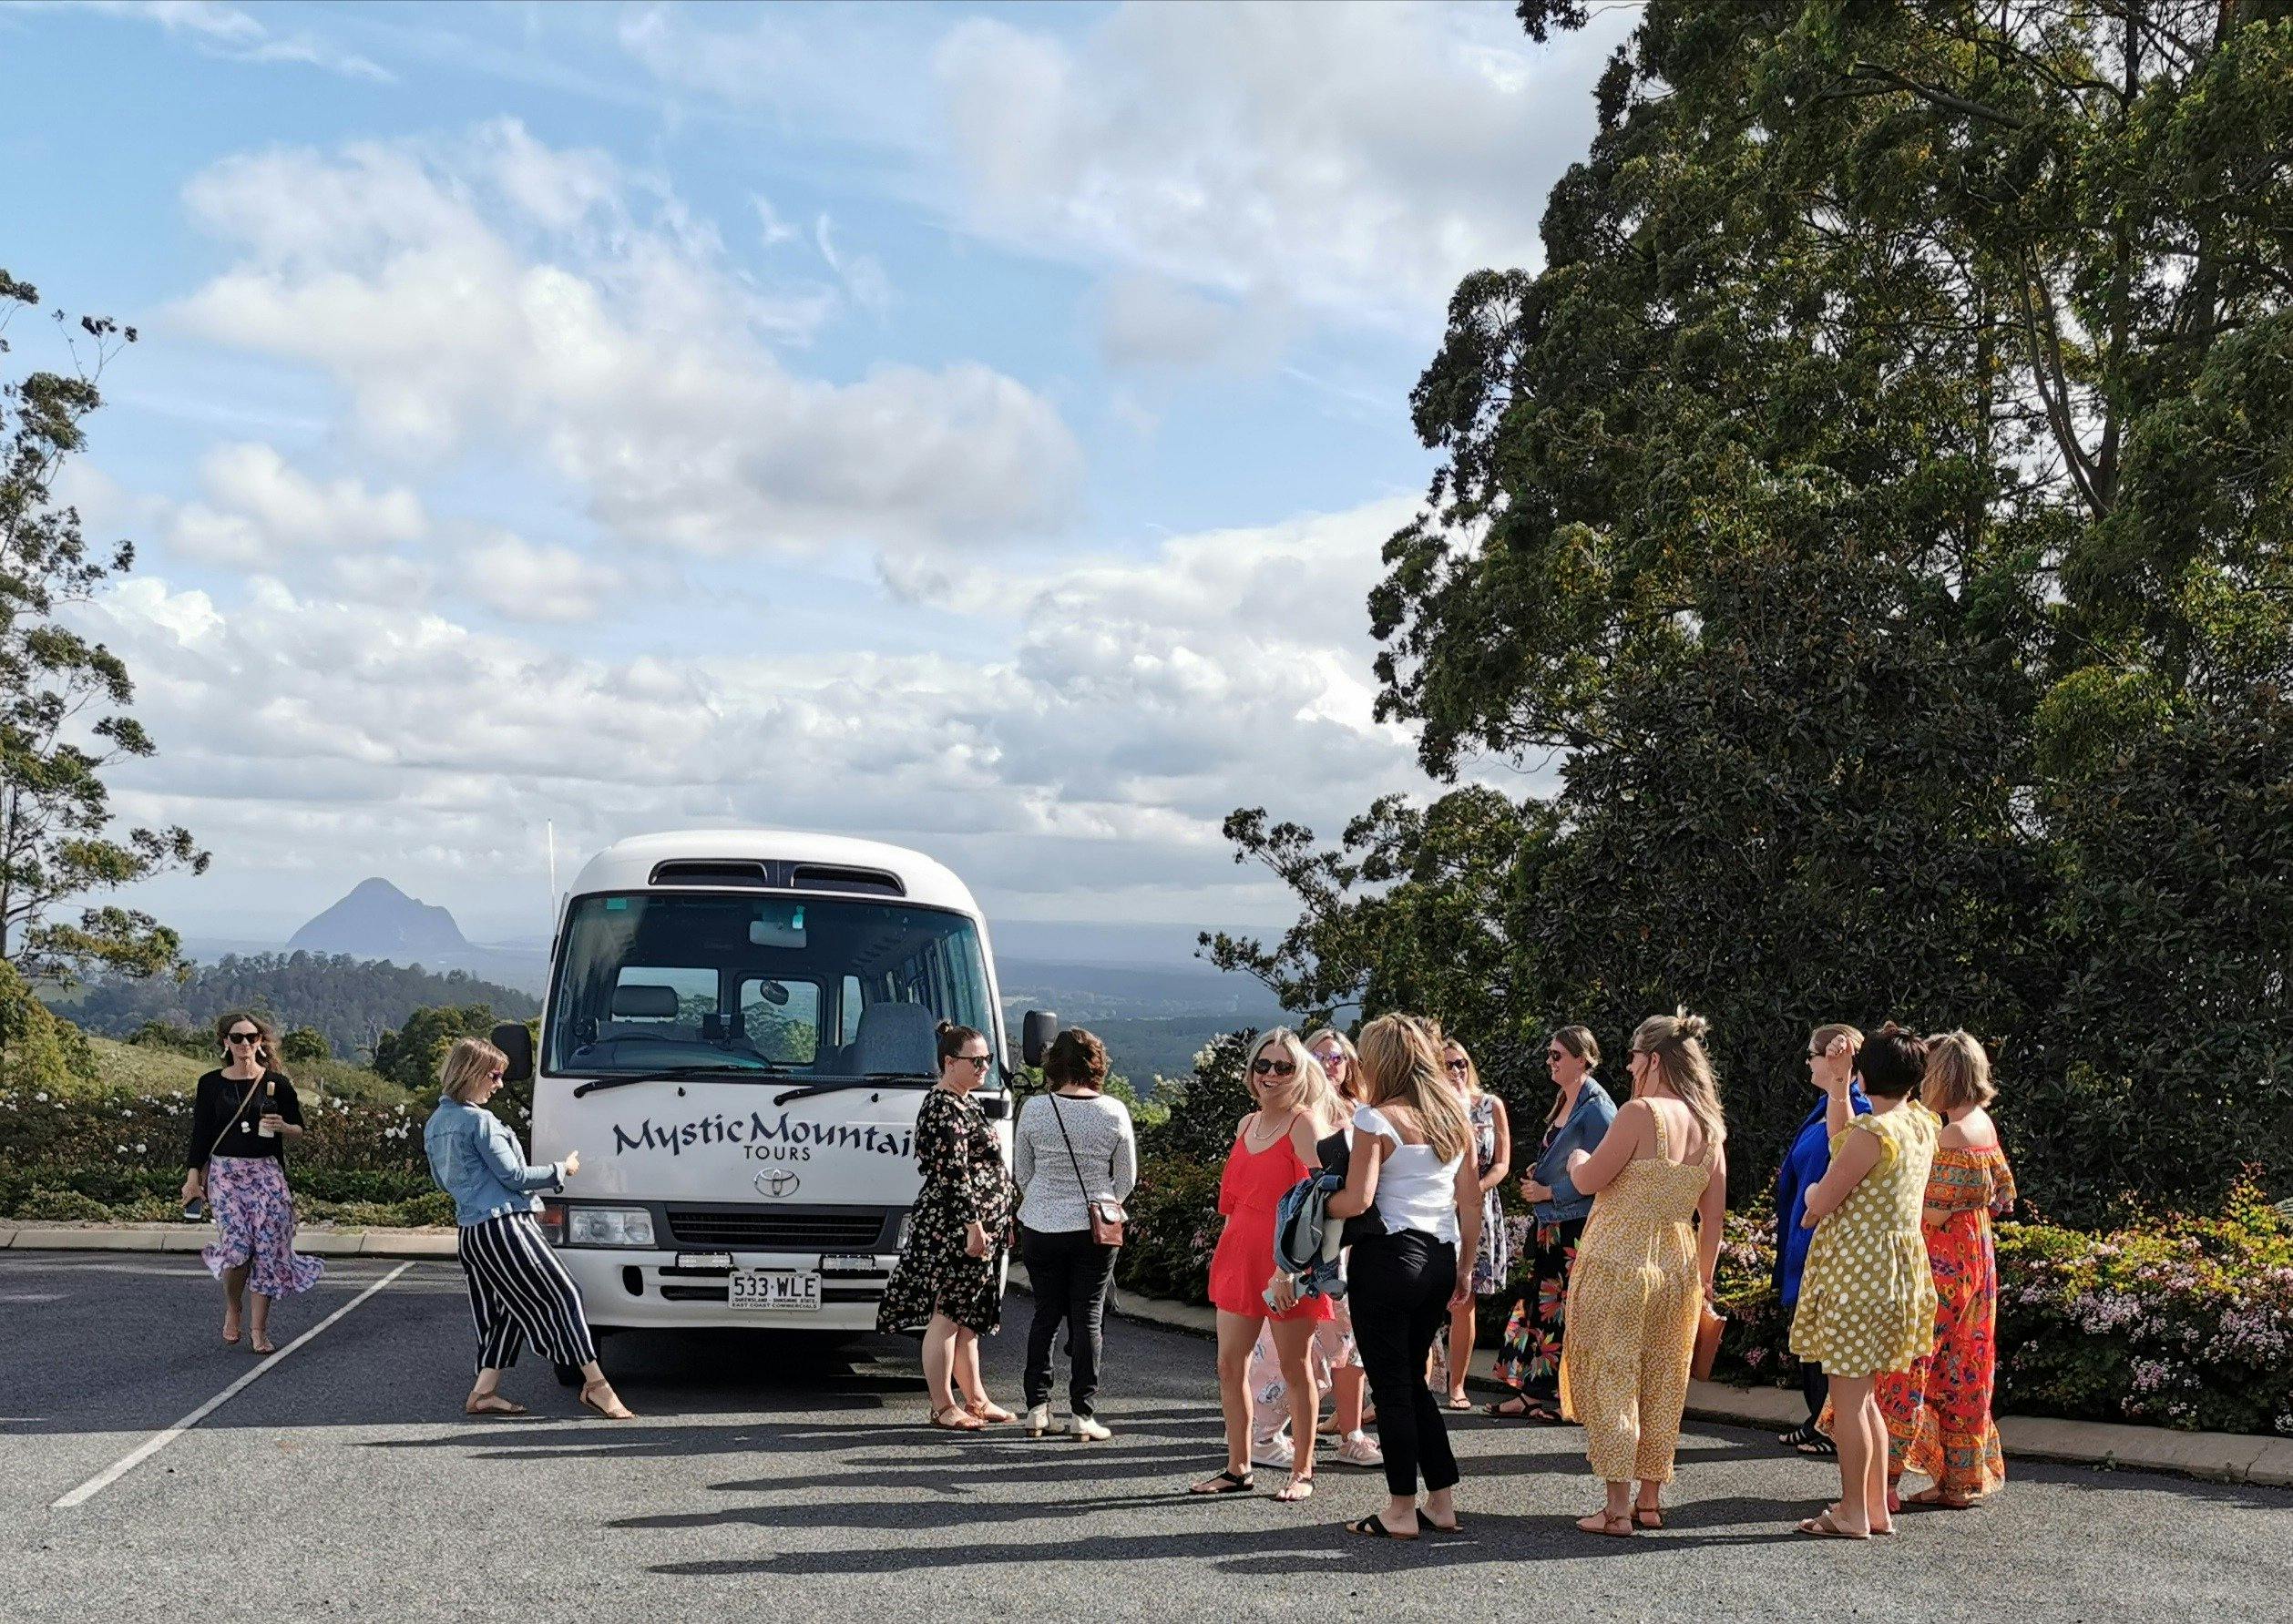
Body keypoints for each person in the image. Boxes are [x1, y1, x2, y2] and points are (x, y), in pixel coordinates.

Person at [1559, 1010, 1728, 1537]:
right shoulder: (1711, 1127)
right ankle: (1649, 1502)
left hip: (1621, 1257)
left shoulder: (1638, 1113)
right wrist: (1702, 1282)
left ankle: (1614, 1508)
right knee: (1662, 1378)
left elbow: (1589, 1179)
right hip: (1677, 1260)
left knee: (1614, 1373)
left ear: (1653, 1058)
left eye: (1634, 1055)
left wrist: (1576, 1158)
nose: (1630, 1065)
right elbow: (1714, 1220)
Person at [1327, 1014, 1482, 1540]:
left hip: (1387, 1257)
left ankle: (1399, 1508)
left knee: (1392, 1387)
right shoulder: (1455, 1116)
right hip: (1439, 1259)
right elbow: (1471, 1199)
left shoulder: (1375, 1120)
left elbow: (1359, 1199)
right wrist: (1465, 1268)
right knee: (1412, 1386)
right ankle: (1441, 1501)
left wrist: (1315, 1199)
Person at [424, 1037, 633, 1419]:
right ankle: (596, 1386)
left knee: (506, 1311)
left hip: (471, 1233)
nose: (499, 1084)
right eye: (494, 1075)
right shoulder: (478, 1121)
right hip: (504, 1226)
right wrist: (562, 1170)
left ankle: (483, 1393)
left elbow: (442, 1181)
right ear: (471, 1073)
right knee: (565, 1294)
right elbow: (516, 1176)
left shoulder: (437, 1123)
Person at [1789, 1022, 1940, 1539]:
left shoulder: (1874, 1134)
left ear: (1866, 1073)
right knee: (1866, 1397)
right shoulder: (1920, 1124)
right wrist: (1838, 1086)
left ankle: (1853, 1511)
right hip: (1895, 1276)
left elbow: (1822, 1198)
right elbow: (1841, 1141)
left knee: (1850, 1403)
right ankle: (1872, 1508)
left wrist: (1810, 1201)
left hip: (1859, 1277)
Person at [1190, 1028, 1346, 1504]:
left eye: (1284, 1067)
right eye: (1263, 1065)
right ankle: (1238, 1467)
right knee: (1227, 1364)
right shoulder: (1246, 1125)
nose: (1271, 1075)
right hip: (1239, 1253)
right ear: (1251, 1071)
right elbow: (1235, 1203)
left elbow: (1324, 1201)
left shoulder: (1304, 1124)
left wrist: (1291, 1271)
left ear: (1300, 1074)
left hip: (1285, 1263)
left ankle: (1303, 1470)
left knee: (1297, 1367)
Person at [1878, 1030, 2016, 1508]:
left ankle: (1885, 1480)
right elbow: (2003, 1199)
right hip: (1977, 1254)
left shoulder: (1952, 1134)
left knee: (1910, 1360)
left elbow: (1931, 1212)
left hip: (1943, 1261)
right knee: (1964, 1365)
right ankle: (1957, 1481)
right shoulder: (1984, 1125)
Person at [877, 1022, 1019, 1431]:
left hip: (981, 1225)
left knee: (968, 1317)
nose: (984, 1067)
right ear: (949, 1062)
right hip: (955, 1226)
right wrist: (974, 1225)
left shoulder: (966, 1101)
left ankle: (975, 1398)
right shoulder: (942, 1106)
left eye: (987, 1059)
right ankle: (943, 1405)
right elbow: (953, 1174)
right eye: (976, 1061)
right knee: (946, 1315)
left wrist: (1002, 1218)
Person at [1013, 1026, 1137, 1442]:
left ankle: (1036, 1408)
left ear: (1053, 1065)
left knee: (1045, 1313)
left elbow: (1022, 1174)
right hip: (1092, 1229)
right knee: (1087, 1316)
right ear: (1097, 1065)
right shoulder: (1114, 1111)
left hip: (1040, 1225)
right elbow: (1126, 1180)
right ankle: (1082, 1414)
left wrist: (1047, 1199)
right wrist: (1101, 1201)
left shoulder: (1034, 1109)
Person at [179, 1012, 322, 1355]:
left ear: (261, 1042)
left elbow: (300, 1128)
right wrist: (193, 1178)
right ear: (225, 1043)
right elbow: (201, 1134)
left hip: (267, 1173)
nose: (246, 1044)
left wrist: (284, 1127)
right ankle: (234, 1306)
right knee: (238, 1250)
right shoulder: (211, 1083)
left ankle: (259, 1330)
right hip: (226, 1174)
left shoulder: (277, 1084)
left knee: (270, 1250)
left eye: (252, 1037)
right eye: (238, 1037)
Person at [1491, 1024, 1614, 1421]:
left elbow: (1603, 1173)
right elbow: (1567, 1159)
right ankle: (1530, 1393)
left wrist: (1550, 1193)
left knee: (1566, 1311)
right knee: (1539, 1308)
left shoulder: (1597, 1108)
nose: (1549, 1061)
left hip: (1574, 1225)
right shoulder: (1568, 1099)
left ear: (1582, 1058)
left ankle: (1564, 1397)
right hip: (1552, 1225)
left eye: (1557, 1055)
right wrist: (1540, 1172)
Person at [1774, 1024, 1871, 1455]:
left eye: (1813, 1055)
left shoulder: (1857, 1109)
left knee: (1823, 1342)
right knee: (1808, 1337)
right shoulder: (1823, 1106)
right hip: (1803, 1232)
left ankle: (1827, 1426)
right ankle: (1816, 1419)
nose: (1809, 1063)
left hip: (1823, 1235)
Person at [1430, 1037, 1509, 1408]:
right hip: (1436, 1208)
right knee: (1427, 1300)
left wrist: (1471, 1191)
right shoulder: (1430, 1110)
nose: (1456, 1071)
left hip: (1477, 1207)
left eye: (1461, 1063)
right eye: (1447, 1065)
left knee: (1465, 1301)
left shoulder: (1490, 1105)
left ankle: (1457, 1386)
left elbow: (1502, 1163)